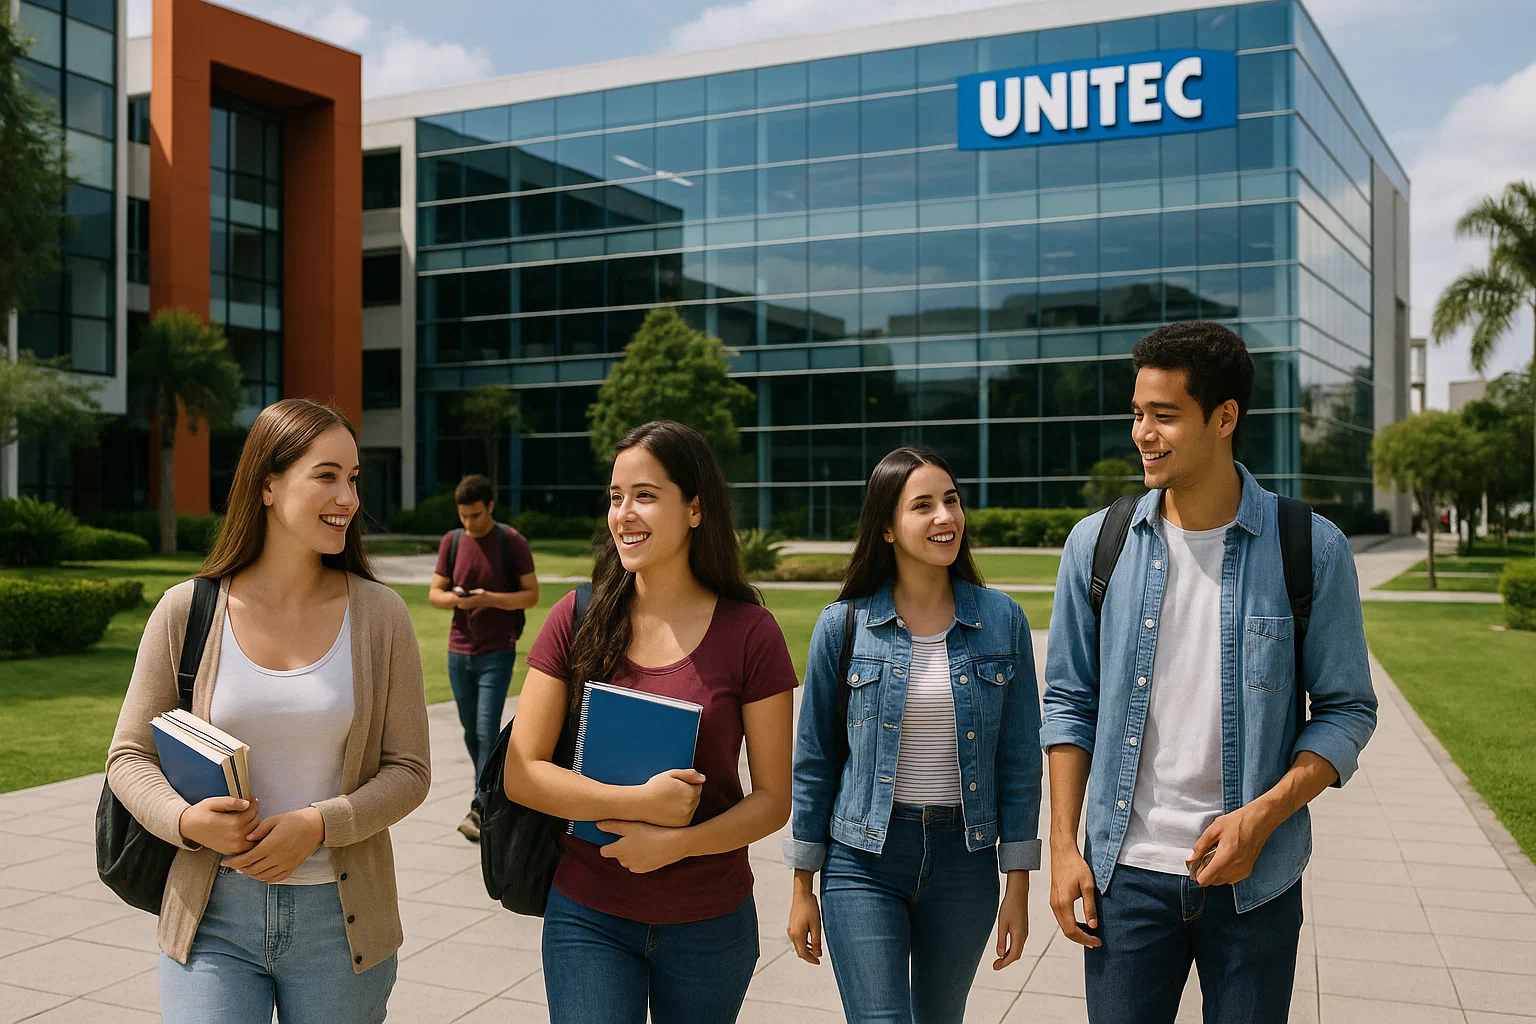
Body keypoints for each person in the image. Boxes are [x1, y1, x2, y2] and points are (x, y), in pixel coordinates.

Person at [1041, 321, 1379, 1024]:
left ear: (1224, 418)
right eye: (1137, 413)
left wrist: (1261, 819)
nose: (1143, 433)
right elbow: (1070, 702)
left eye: (1164, 416)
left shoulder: (1309, 549)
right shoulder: (1095, 547)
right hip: (1124, 881)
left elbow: (1347, 709)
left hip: (1253, 886)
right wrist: (1066, 847)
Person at [106, 398, 431, 1024]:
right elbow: (128, 757)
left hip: (341, 927)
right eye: (327, 476)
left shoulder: (380, 616)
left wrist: (319, 823)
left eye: (354, 479)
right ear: (267, 486)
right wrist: (185, 820)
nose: (349, 498)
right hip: (211, 917)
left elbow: (410, 770)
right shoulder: (185, 609)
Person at [502, 420, 797, 1024]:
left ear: (694, 509)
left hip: (709, 923)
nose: (624, 514)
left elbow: (773, 799)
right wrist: (636, 801)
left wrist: (676, 843)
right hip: (588, 913)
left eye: (645, 495)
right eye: (616, 497)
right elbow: (522, 773)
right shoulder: (576, 617)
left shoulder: (751, 633)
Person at [784, 447, 1042, 1024]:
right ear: (886, 528)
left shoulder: (1004, 621)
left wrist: (1017, 883)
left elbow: (1020, 761)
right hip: (864, 858)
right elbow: (815, 762)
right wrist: (803, 883)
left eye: (950, 501)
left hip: (964, 860)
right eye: (922, 506)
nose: (944, 517)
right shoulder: (843, 625)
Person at [428, 473, 538, 842]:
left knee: (486, 729)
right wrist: (459, 600)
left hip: (497, 651)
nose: (469, 523)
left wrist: (489, 598)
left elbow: (530, 595)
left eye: (476, 515)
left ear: (490, 506)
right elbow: (435, 593)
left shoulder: (512, 542)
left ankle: (480, 806)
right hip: (459, 652)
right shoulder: (453, 542)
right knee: (471, 732)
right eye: (464, 516)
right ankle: (493, 794)